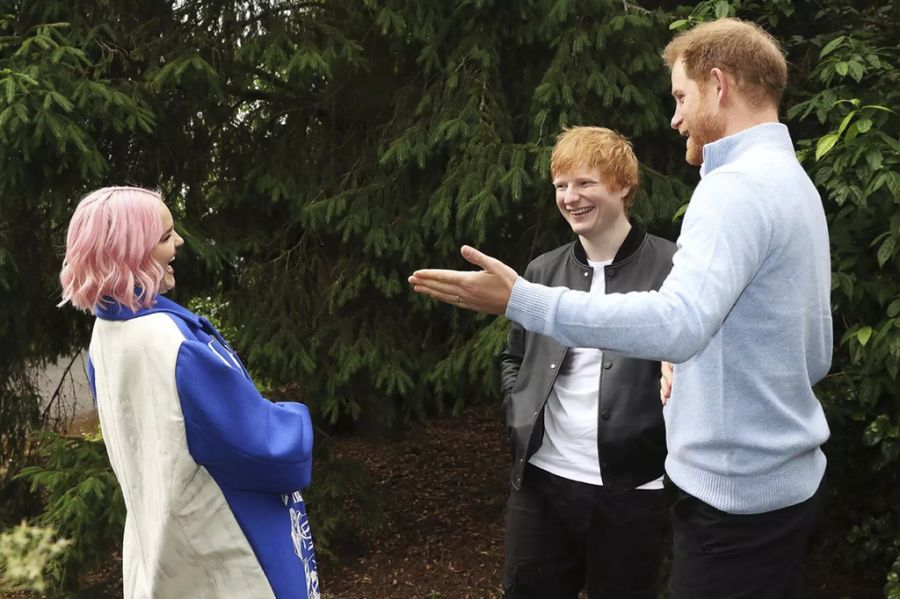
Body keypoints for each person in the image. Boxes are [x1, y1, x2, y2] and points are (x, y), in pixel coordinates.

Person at [409, 17, 831, 598]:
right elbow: (811, 348)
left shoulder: (733, 187)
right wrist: (692, 362)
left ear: (719, 85)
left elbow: (678, 324)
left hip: (733, 503)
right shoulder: (793, 184)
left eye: (682, 96)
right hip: (779, 492)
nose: (676, 116)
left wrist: (523, 301)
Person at [59, 187, 320, 599]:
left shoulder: (104, 335)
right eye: (165, 237)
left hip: (161, 548)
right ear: (129, 253)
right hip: (224, 557)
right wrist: (295, 414)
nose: (179, 242)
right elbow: (264, 449)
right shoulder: (169, 343)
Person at [500, 126, 675, 598]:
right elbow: (514, 356)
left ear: (622, 185)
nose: (570, 197)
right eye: (561, 186)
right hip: (541, 483)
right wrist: (517, 408)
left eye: (584, 183)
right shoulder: (542, 270)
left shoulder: (674, 267)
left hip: (633, 490)